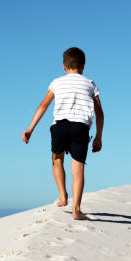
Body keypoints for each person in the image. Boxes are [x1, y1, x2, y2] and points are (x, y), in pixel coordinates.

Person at [22, 47, 104, 220]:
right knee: (78, 168)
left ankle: (62, 196)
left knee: (57, 159)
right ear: (83, 66)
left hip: (60, 126)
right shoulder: (90, 83)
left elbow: (43, 106)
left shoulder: (56, 83)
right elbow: (100, 112)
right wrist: (98, 136)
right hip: (80, 127)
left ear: (64, 67)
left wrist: (31, 128)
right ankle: (76, 209)